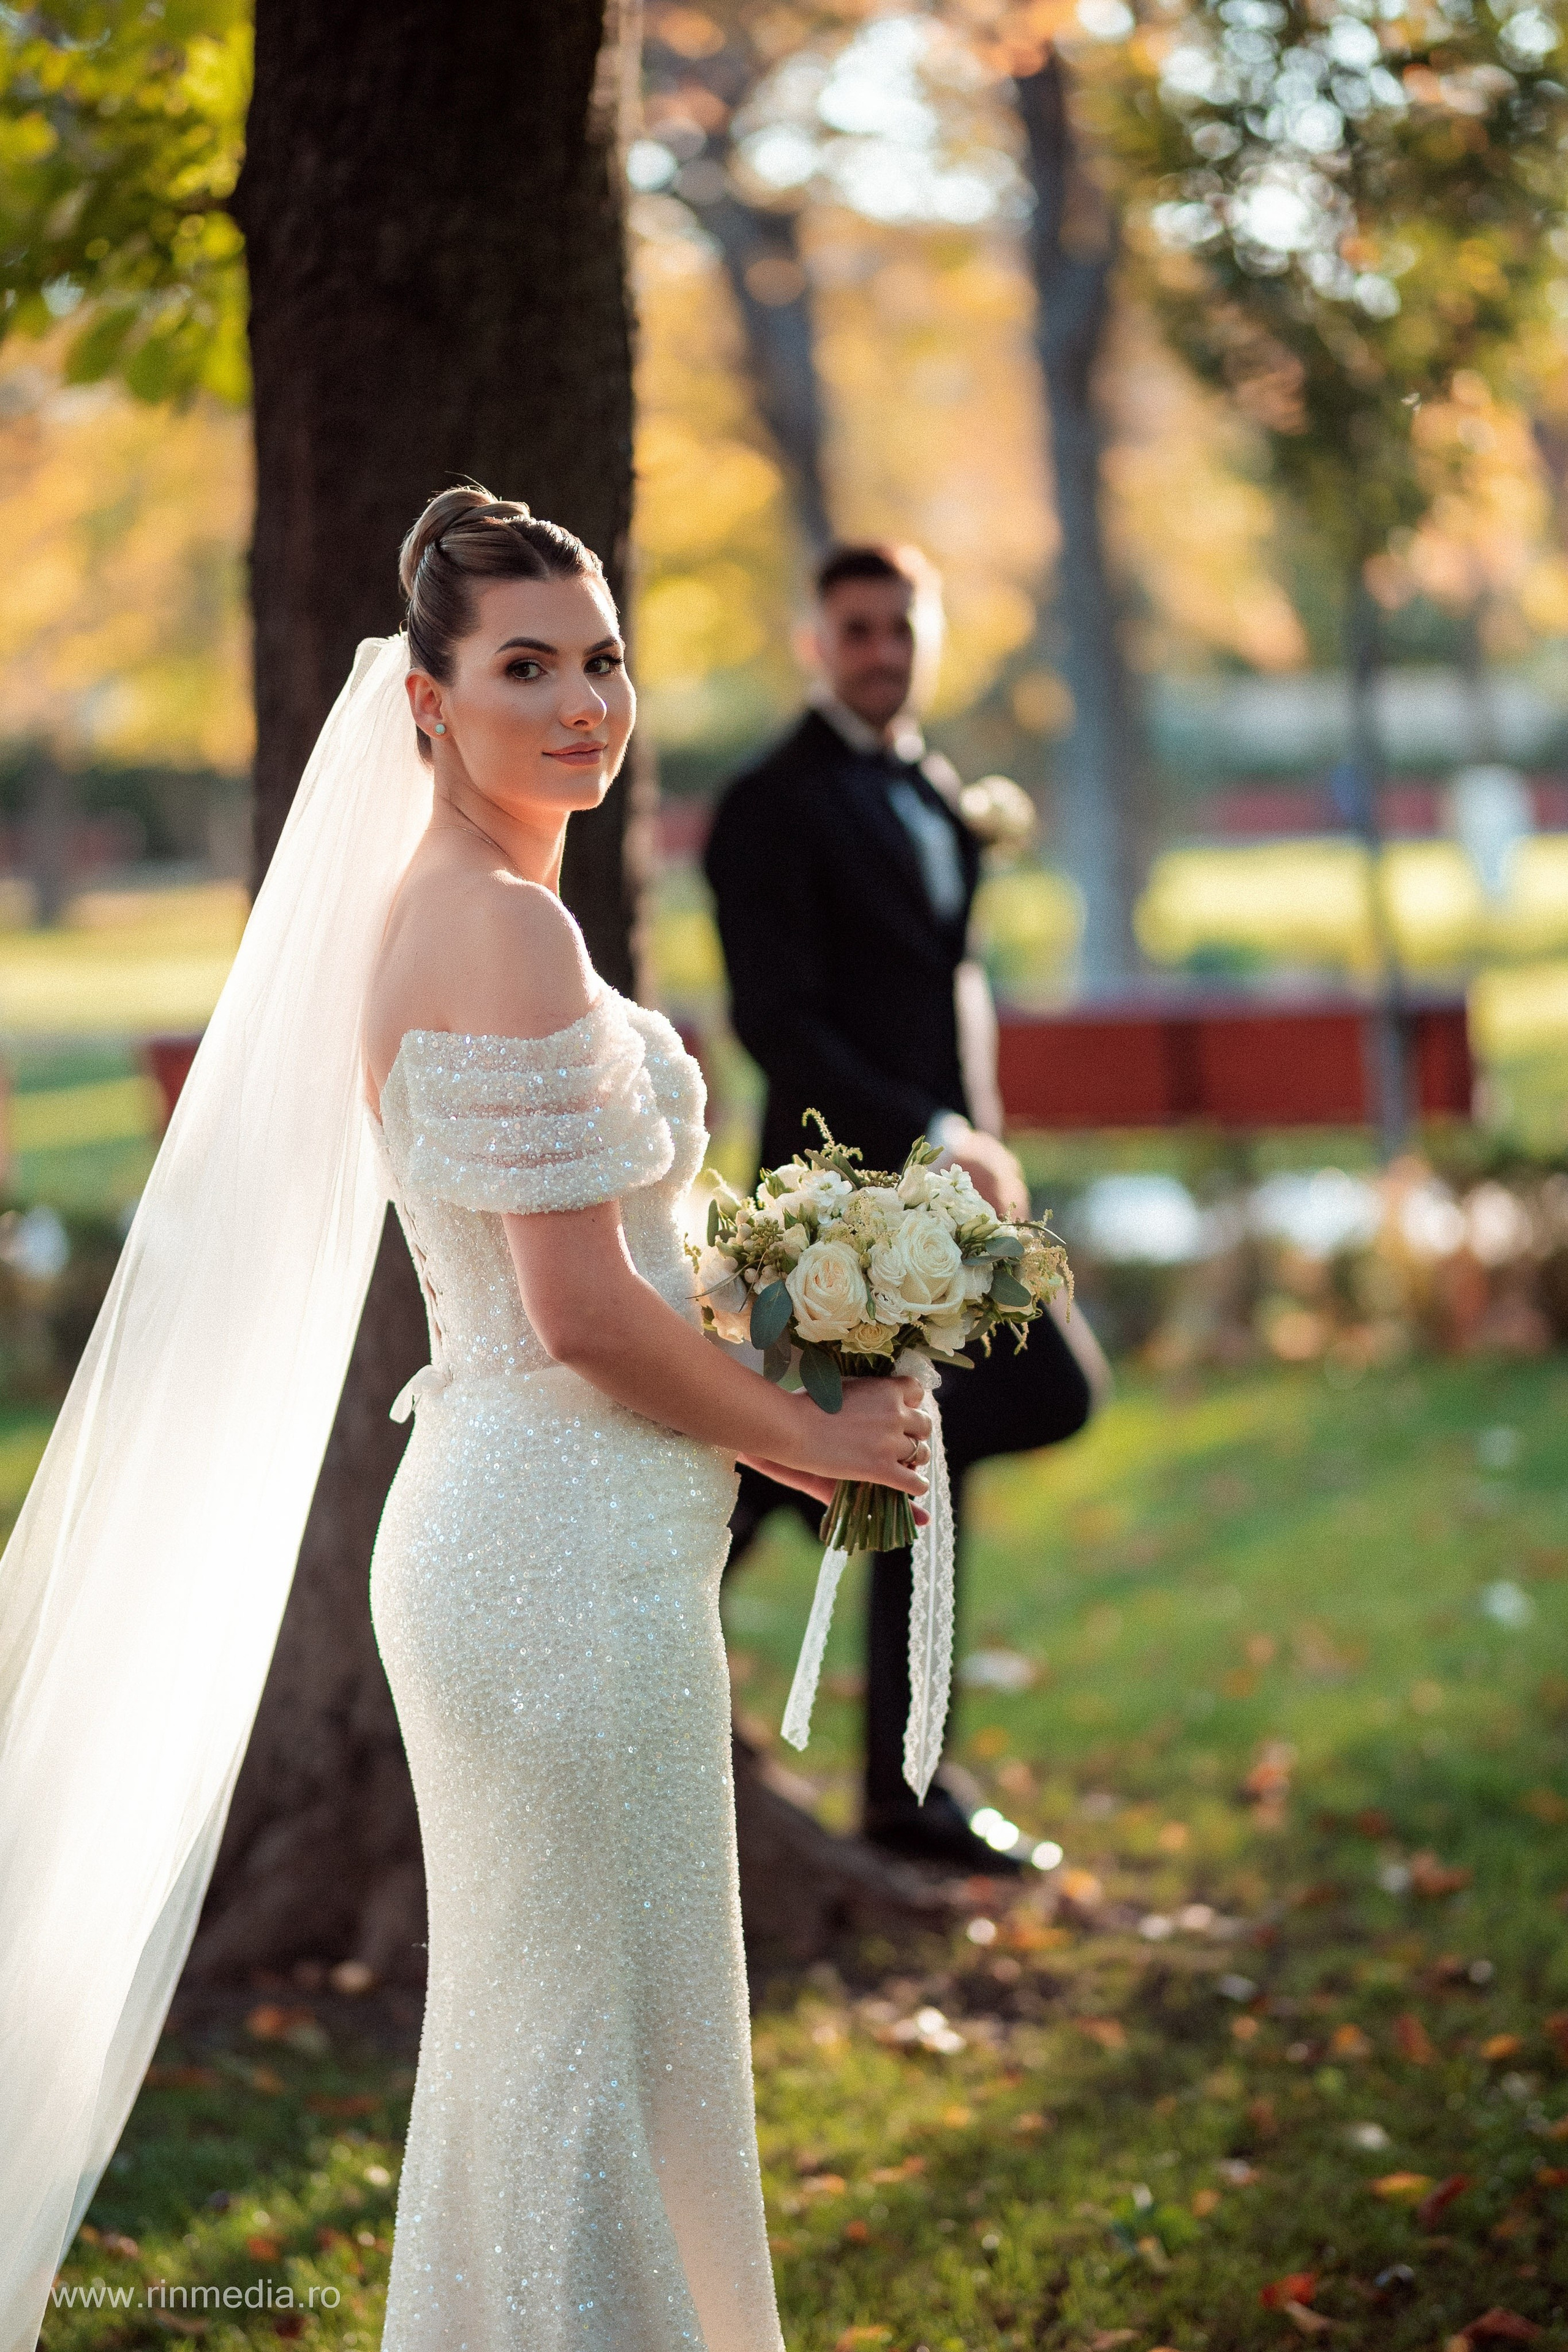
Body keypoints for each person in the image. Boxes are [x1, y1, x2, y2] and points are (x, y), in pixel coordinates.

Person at [0, 489, 935, 2352]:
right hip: (548, 1556)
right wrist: (811, 1441)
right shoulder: (498, 928)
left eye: (601, 660)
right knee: (580, 2047)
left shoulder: (490, 911)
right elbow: (578, 1315)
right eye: (526, 667)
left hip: (563, 1537)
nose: (583, 701)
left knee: (569, 2033)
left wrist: (801, 1323)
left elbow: (601, 1276)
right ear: (427, 704)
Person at [704, 541, 1103, 1875]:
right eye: (854, 629)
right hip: (840, 1198)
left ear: (926, 637)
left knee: (989, 1419)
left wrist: (977, 1136)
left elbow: (941, 986)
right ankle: (771, 1545)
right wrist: (935, 1132)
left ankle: (901, 1788)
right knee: (921, 1439)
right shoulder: (769, 803)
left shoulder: (933, 787)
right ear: (814, 641)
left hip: (945, 1192)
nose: (879, 650)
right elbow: (777, 1021)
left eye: (898, 628)